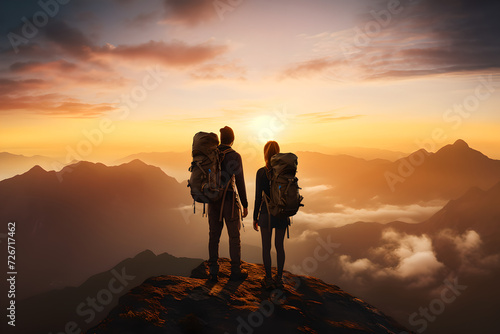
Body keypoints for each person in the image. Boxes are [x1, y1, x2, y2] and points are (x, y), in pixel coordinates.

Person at [207, 126, 249, 281]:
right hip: (229, 201)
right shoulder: (235, 156)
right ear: (232, 139)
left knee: (214, 236)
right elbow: (240, 181)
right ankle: (236, 271)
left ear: (220, 138)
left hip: (213, 200)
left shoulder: (211, 154)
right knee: (234, 237)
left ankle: (213, 272)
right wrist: (244, 203)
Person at [253, 141, 289, 289]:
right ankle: (279, 278)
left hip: (265, 214)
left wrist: (255, 217)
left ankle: (268, 279)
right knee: (279, 246)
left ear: (265, 154)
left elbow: (257, 197)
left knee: (266, 247)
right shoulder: (285, 172)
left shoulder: (261, 172)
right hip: (281, 214)